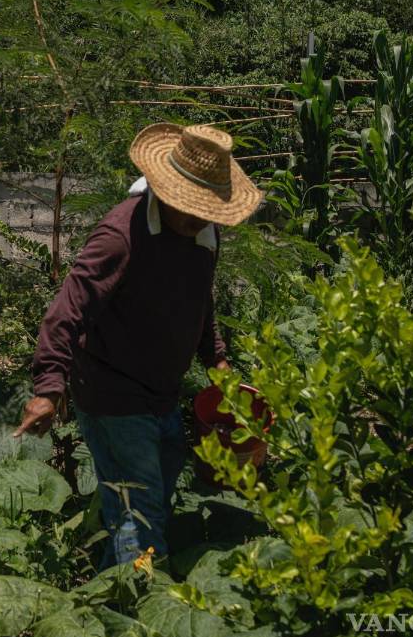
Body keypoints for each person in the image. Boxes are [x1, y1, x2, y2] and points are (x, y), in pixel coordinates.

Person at [13, 122, 263, 568]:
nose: (196, 217)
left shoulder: (203, 235)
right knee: (140, 514)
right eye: (189, 207)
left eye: (206, 209)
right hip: (112, 392)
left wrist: (217, 358)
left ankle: (116, 590)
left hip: (161, 393)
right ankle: (143, 611)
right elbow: (67, 310)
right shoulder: (121, 235)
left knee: (151, 501)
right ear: (164, 189)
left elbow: (199, 298)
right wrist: (48, 389)